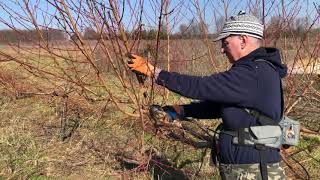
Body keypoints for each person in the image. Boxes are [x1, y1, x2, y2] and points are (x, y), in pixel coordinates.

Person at [127, 11, 287, 180]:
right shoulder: (257, 70)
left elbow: (201, 86)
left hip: (255, 170)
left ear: (243, 40)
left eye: (225, 43)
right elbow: (225, 106)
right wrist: (181, 111)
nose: (222, 50)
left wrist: (154, 72)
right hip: (249, 166)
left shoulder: (252, 73)